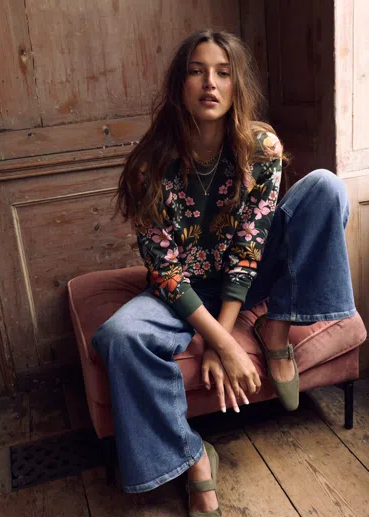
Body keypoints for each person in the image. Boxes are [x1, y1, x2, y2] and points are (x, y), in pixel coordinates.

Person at [92, 29, 355, 517]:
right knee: (118, 336)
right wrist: (222, 342)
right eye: (197, 71)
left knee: (325, 187)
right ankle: (193, 456)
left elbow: (249, 248)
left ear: (237, 86)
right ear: (180, 85)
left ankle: (277, 326)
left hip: (248, 278)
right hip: (183, 291)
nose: (209, 83)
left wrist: (225, 337)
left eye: (223, 72)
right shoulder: (149, 166)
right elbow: (165, 272)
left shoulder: (261, 147)